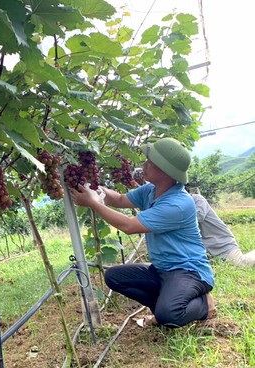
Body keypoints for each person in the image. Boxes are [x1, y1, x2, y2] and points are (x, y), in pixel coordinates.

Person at [71, 137, 215, 328]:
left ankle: (204, 304)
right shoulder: (151, 190)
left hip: (188, 271)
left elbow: (129, 226)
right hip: (162, 269)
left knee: (171, 315)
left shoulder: (178, 204)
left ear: (165, 172)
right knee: (114, 277)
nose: (144, 165)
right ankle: (164, 306)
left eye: (150, 162)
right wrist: (94, 188)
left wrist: (93, 203)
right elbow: (120, 199)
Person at [191, 192, 255, 267]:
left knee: (242, 263)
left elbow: (198, 217)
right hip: (205, 248)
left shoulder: (197, 199)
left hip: (221, 242)